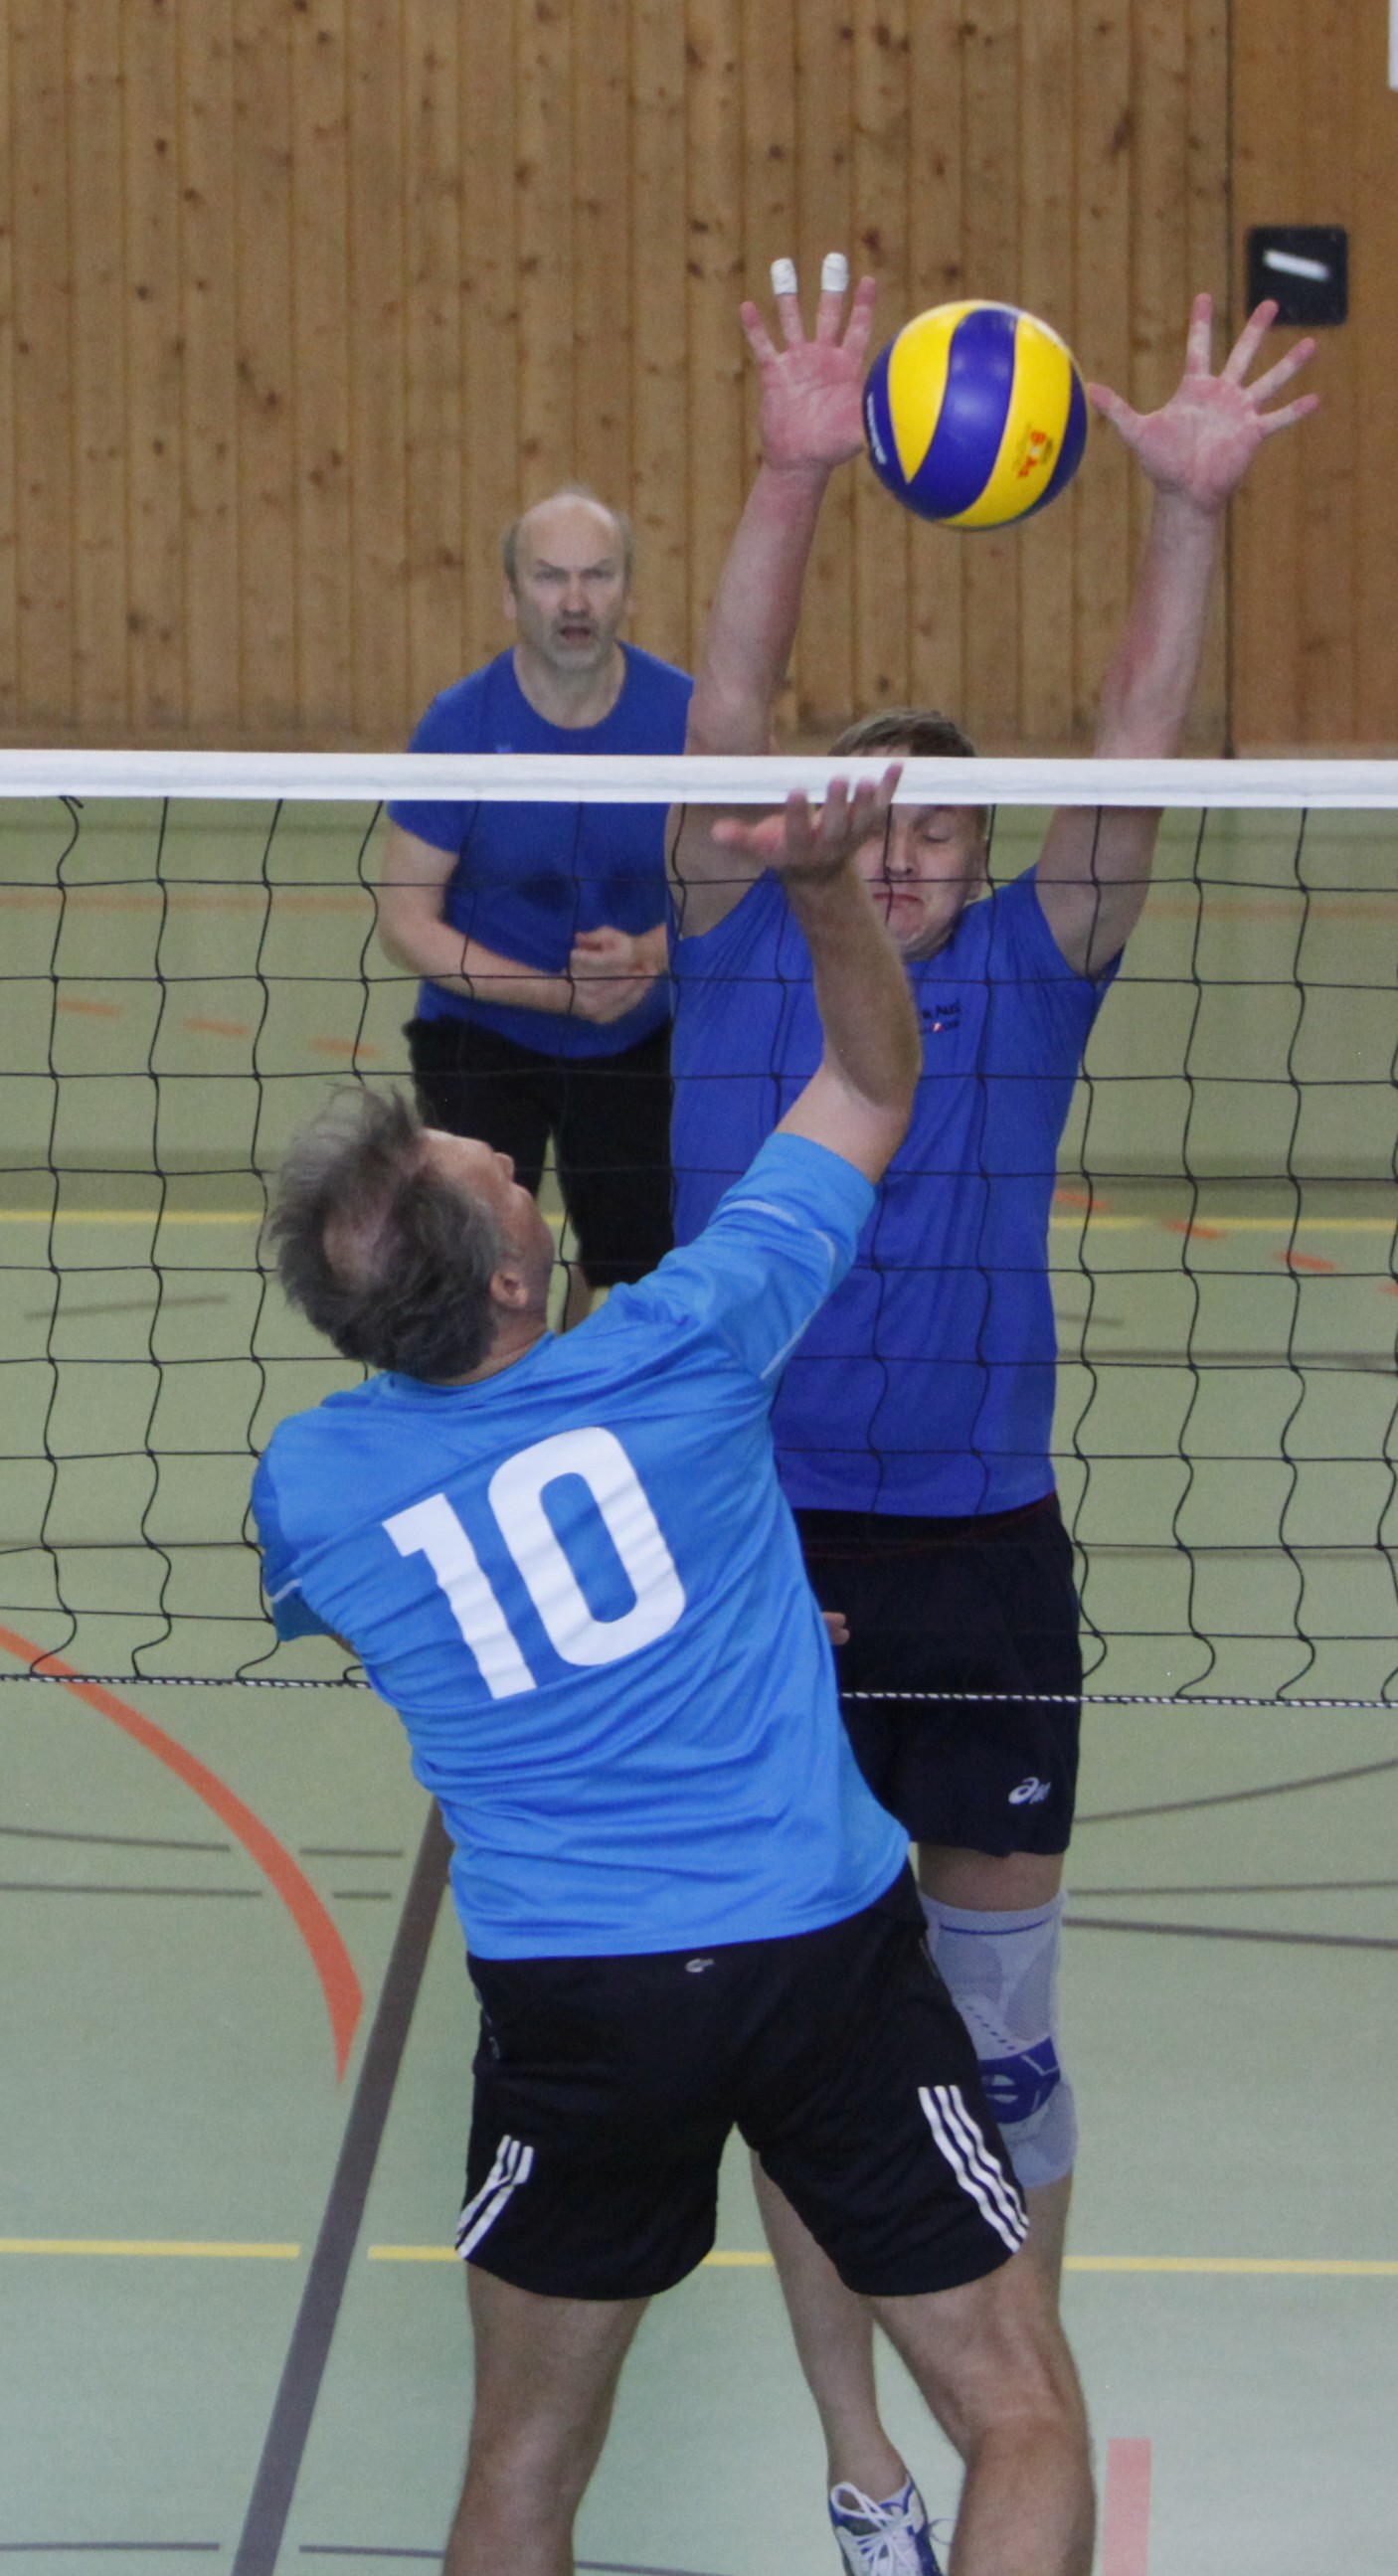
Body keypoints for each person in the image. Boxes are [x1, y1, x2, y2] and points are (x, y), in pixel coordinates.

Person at [252, 766, 1094, 2576]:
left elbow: (419, 1594)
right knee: (1017, 2410)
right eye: (488, 1166)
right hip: (816, 1954)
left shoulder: (312, 1493)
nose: (505, 1149)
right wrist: (821, 887)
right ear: (512, 1278)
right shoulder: (686, 1345)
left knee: (520, 2469)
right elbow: (871, 1081)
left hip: (574, 1993)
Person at [668, 259, 1316, 2566]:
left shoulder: (1033, 978)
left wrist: (1183, 511)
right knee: (813, 2049)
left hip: (978, 1556)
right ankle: (861, 2467)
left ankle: (1007, 2420)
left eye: (952, 825)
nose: (915, 850)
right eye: (885, 816)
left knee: (1003, 2042)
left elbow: (1127, 756)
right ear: (823, 820)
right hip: (762, 1550)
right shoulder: (739, 941)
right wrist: (788, 469)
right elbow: (728, 702)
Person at [379, 486, 692, 1329]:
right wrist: (559, 992)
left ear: (628, 591)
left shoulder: (686, 718)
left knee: (637, 1262)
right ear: (511, 595)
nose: (576, 600)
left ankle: (586, 1378)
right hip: (484, 1035)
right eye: (551, 577)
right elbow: (406, 921)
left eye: (598, 575)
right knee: (472, 1262)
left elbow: (743, 888)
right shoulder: (458, 727)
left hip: (639, 1032)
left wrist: (648, 954)